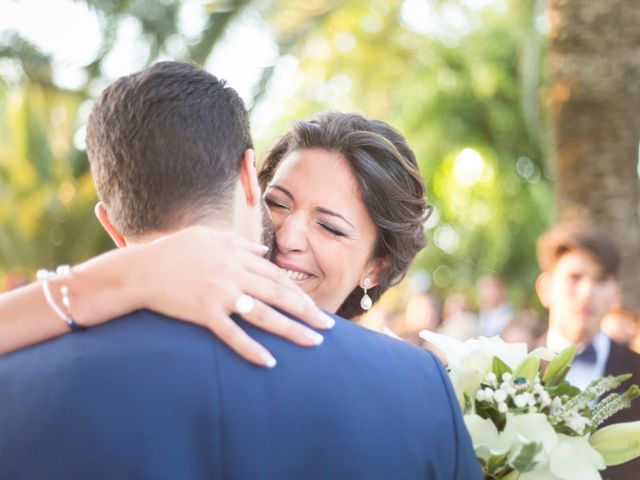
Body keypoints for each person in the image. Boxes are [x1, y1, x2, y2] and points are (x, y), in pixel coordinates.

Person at [0, 61, 482, 479]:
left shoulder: (18, 379)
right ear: (251, 180)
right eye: (278, 203)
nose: (290, 237)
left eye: (332, 228)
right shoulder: (418, 391)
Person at [535, 223, 640, 480]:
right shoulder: (509, 369)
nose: (586, 293)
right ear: (545, 289)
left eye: (601, 279)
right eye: (575, 277)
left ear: (616, 293)